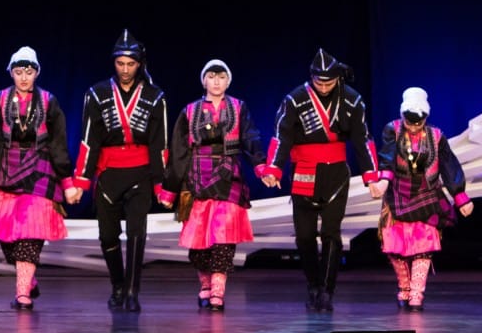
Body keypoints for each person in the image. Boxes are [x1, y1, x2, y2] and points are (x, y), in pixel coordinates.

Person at [260, 47, 381, 312]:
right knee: (304, 236)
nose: (324, 87)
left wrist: (372, 176)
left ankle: (327, 290)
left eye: (329, 82)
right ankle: (313, 284)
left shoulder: (352, 100)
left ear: (338, 78)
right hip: (304, 171)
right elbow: (282, 136)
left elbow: (362, 138)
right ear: (311, 77)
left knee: (331, 234)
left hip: (336, 173)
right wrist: (273, 169)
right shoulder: (295, 100)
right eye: (319, 82)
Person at [69, 29, 173, 313]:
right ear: (113, 63)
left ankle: (131, 290)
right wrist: (81, 181)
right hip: (109, 174)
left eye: (131, 64)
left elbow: (160, 144)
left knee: (137, 233)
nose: (125, 70)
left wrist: (161, 185)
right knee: (107, 236)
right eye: (120, 63)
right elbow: (88, 140)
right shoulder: (97, 94)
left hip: (140, 172)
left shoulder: (155, 96)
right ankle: (117, 283)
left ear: (139, 64)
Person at [0, 45, 80, 310]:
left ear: (36, 73)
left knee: (30, 231)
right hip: (7, 168)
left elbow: (58, 144)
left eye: (28, 72)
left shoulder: (49, 101)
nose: (23, 77)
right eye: (18, 72)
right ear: (11, 73)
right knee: (5, 233)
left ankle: (22, 294)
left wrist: (67, 183)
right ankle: (29, 279)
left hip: (40, 168)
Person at [164, 59, 267, 312]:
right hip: (196, 177)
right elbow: (178, 151)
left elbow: (250, 138)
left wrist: (261, 166)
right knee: (198, 240)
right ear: (204, 81)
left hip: (228, 176)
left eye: (221, 77)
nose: (217, 82)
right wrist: (170, 188)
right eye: (211, 77)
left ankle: (218, 291)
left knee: (223, 237)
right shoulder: (190, 111)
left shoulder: (239, 107)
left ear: (228, 81)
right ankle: (205, 284)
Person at [367, 86, 473, 311]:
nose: (414, 126)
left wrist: (460, 196)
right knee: (395, 247)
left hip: (427, 195)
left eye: (419, 122)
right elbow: (387, 157)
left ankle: (417, 293)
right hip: (397, 195)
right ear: (402, 115)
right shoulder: (392, 130)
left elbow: (448, 165)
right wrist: (383, 181)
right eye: (410, 122)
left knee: (422, 246)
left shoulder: (436, 136)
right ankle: (404, 286)